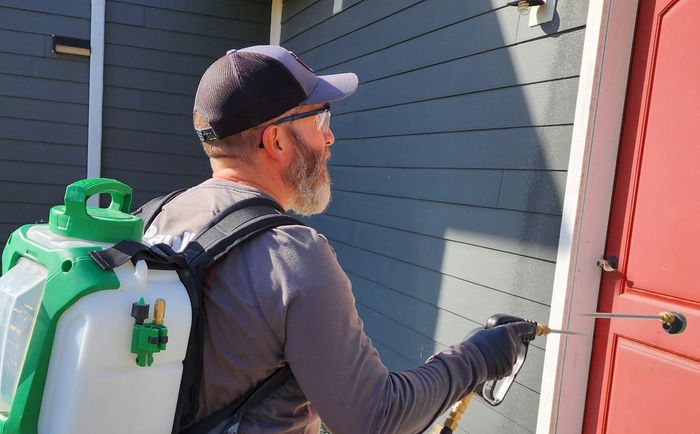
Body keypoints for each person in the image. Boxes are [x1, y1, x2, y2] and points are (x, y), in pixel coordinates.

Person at [144, 45, 537, 434]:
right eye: (320, 119)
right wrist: (478, 358)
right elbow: (376, 419)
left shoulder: (155, 217)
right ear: (277, 141)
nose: (329, 138)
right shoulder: (291, 255)